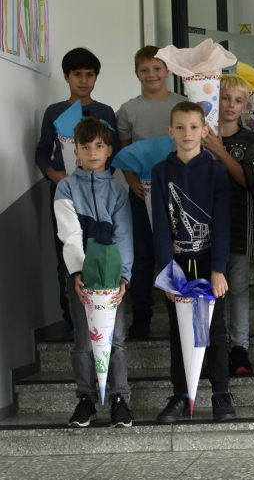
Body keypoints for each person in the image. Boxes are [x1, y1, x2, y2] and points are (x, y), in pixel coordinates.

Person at [152, 101, 234, 423]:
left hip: (209, 264)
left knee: (216, 330)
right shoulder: (161, 172)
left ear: (204, 131)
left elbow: (222, 223)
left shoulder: (216, 172)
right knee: (179, 331)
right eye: (181, 127)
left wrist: (218, 269)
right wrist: (167, 273)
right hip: (178, 267)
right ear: (170, 131)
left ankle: (220, 393)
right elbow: (161, 225)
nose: (187, 133)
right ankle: (181, 394)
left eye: (194, 127)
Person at [54, 118, 133, 428]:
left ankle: (120, 398)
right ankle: (86, 398)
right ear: (76, 151)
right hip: (80, 277)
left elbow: (124, 235)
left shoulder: (117, 189)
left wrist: (123, 277)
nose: (92, 152)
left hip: (112, 276)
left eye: (99, 146)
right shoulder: (66, 187)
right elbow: (70, 234)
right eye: (85, 147)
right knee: (84, 341)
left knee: (116, 339)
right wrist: (78, 273)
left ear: (109, 150)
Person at [36, 47, 120, 336]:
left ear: (96, 77)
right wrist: (55, 176)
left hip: (99, 195)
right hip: (64, 194)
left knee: (101, 246)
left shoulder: (105, 112)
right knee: (67, 252)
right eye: (77, 75)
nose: (84, 81)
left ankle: (104, 312)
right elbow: (42, 152)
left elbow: (114, 153)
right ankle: (72, 319)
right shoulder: (54, 112)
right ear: (66, 77)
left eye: (89, 75)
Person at [116, 46, 183, 340]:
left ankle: (178, 311)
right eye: (145, 70)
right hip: (141, 192)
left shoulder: (181, 104)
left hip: (177, 192)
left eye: (157, 68)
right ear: (136, 74)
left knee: (176, 251)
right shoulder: (128, 110)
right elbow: (124, 151)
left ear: (167, 71)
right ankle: (141, 314)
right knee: (142, 253)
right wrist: (130, 180)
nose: (151, 74)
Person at [202, 74, 254, 377]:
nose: (230, 105)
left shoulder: (249, 140)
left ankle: (239, 347)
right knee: (209, 288)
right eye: (224, 98)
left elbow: (248, 180)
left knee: (237, 288)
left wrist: (220, 150)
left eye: (238, 100)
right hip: (205, 227)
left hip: (238, 223)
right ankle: (214, 346)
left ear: (245, 106)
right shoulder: (200, 134)